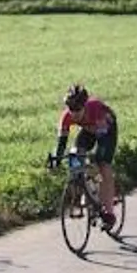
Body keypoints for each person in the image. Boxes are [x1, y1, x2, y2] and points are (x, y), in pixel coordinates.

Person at [48, 83, 118, 229]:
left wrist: (95, 158)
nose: (74, 113)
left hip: (106, 130)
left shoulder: (96, 109)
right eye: (71, 109)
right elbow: (61, 142)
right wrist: (57, 160)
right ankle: (82, 189)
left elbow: (102, 140)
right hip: (88, 131)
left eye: (77, 109)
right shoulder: (67, 116)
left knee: (102, 163)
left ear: (84, 105)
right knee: (75, 157)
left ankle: (109, 213)